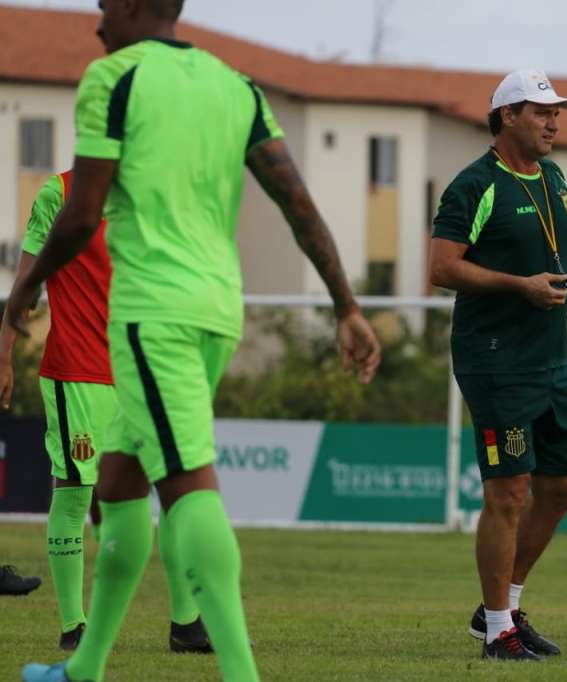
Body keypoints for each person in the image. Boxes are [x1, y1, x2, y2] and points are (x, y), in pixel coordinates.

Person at [14, 1, 380, 680]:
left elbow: (81, 215)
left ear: (131, 5)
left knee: (186, 483)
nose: (97, 23)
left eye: (103, 6)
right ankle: (84, 667)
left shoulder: (113, 77)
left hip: (152, 314)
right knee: (119, 482)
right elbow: (297, 202)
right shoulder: (236, 86)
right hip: (216, 309)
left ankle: (240, 672)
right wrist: (346, 304)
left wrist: (21, 295)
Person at [430, 69, 567, 661]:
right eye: (541, 112)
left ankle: (500, 606)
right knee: (507, 492)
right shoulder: (474, 185)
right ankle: (498, 633)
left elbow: (563, 261)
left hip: (550, 360)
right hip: (495, 361)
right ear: (507, 116)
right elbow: (442, 268)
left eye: (557, 113)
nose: (553, 123)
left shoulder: (553, 178)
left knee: (564, 485)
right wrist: (518, 285)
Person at [0, 171, 213, 654]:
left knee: (176, 492)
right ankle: (73, 627)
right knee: (75, 494)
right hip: (78, 372)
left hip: (142, 371)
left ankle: (187, 624)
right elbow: (28, 282)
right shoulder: (58, 193)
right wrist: (4, 352)